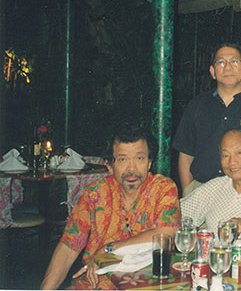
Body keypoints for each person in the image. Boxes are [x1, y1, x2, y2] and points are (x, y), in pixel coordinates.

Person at [41, 123, 181, 290]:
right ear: (109, 165)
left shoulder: (163, 188)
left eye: (140, 158)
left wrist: (109, 249)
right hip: (96, 282)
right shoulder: (94, 194)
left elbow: (167, 233)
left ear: (149, 163)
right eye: (122, 159)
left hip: (146, 282)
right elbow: (68, 246)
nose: (132, 168)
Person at [173, 42, 241, 196]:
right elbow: (185, 154)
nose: (227, 67)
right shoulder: (197, 106)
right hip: (202, 191)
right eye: (221, 62)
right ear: (212, 71)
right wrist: (189, 192)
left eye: (234, 61)